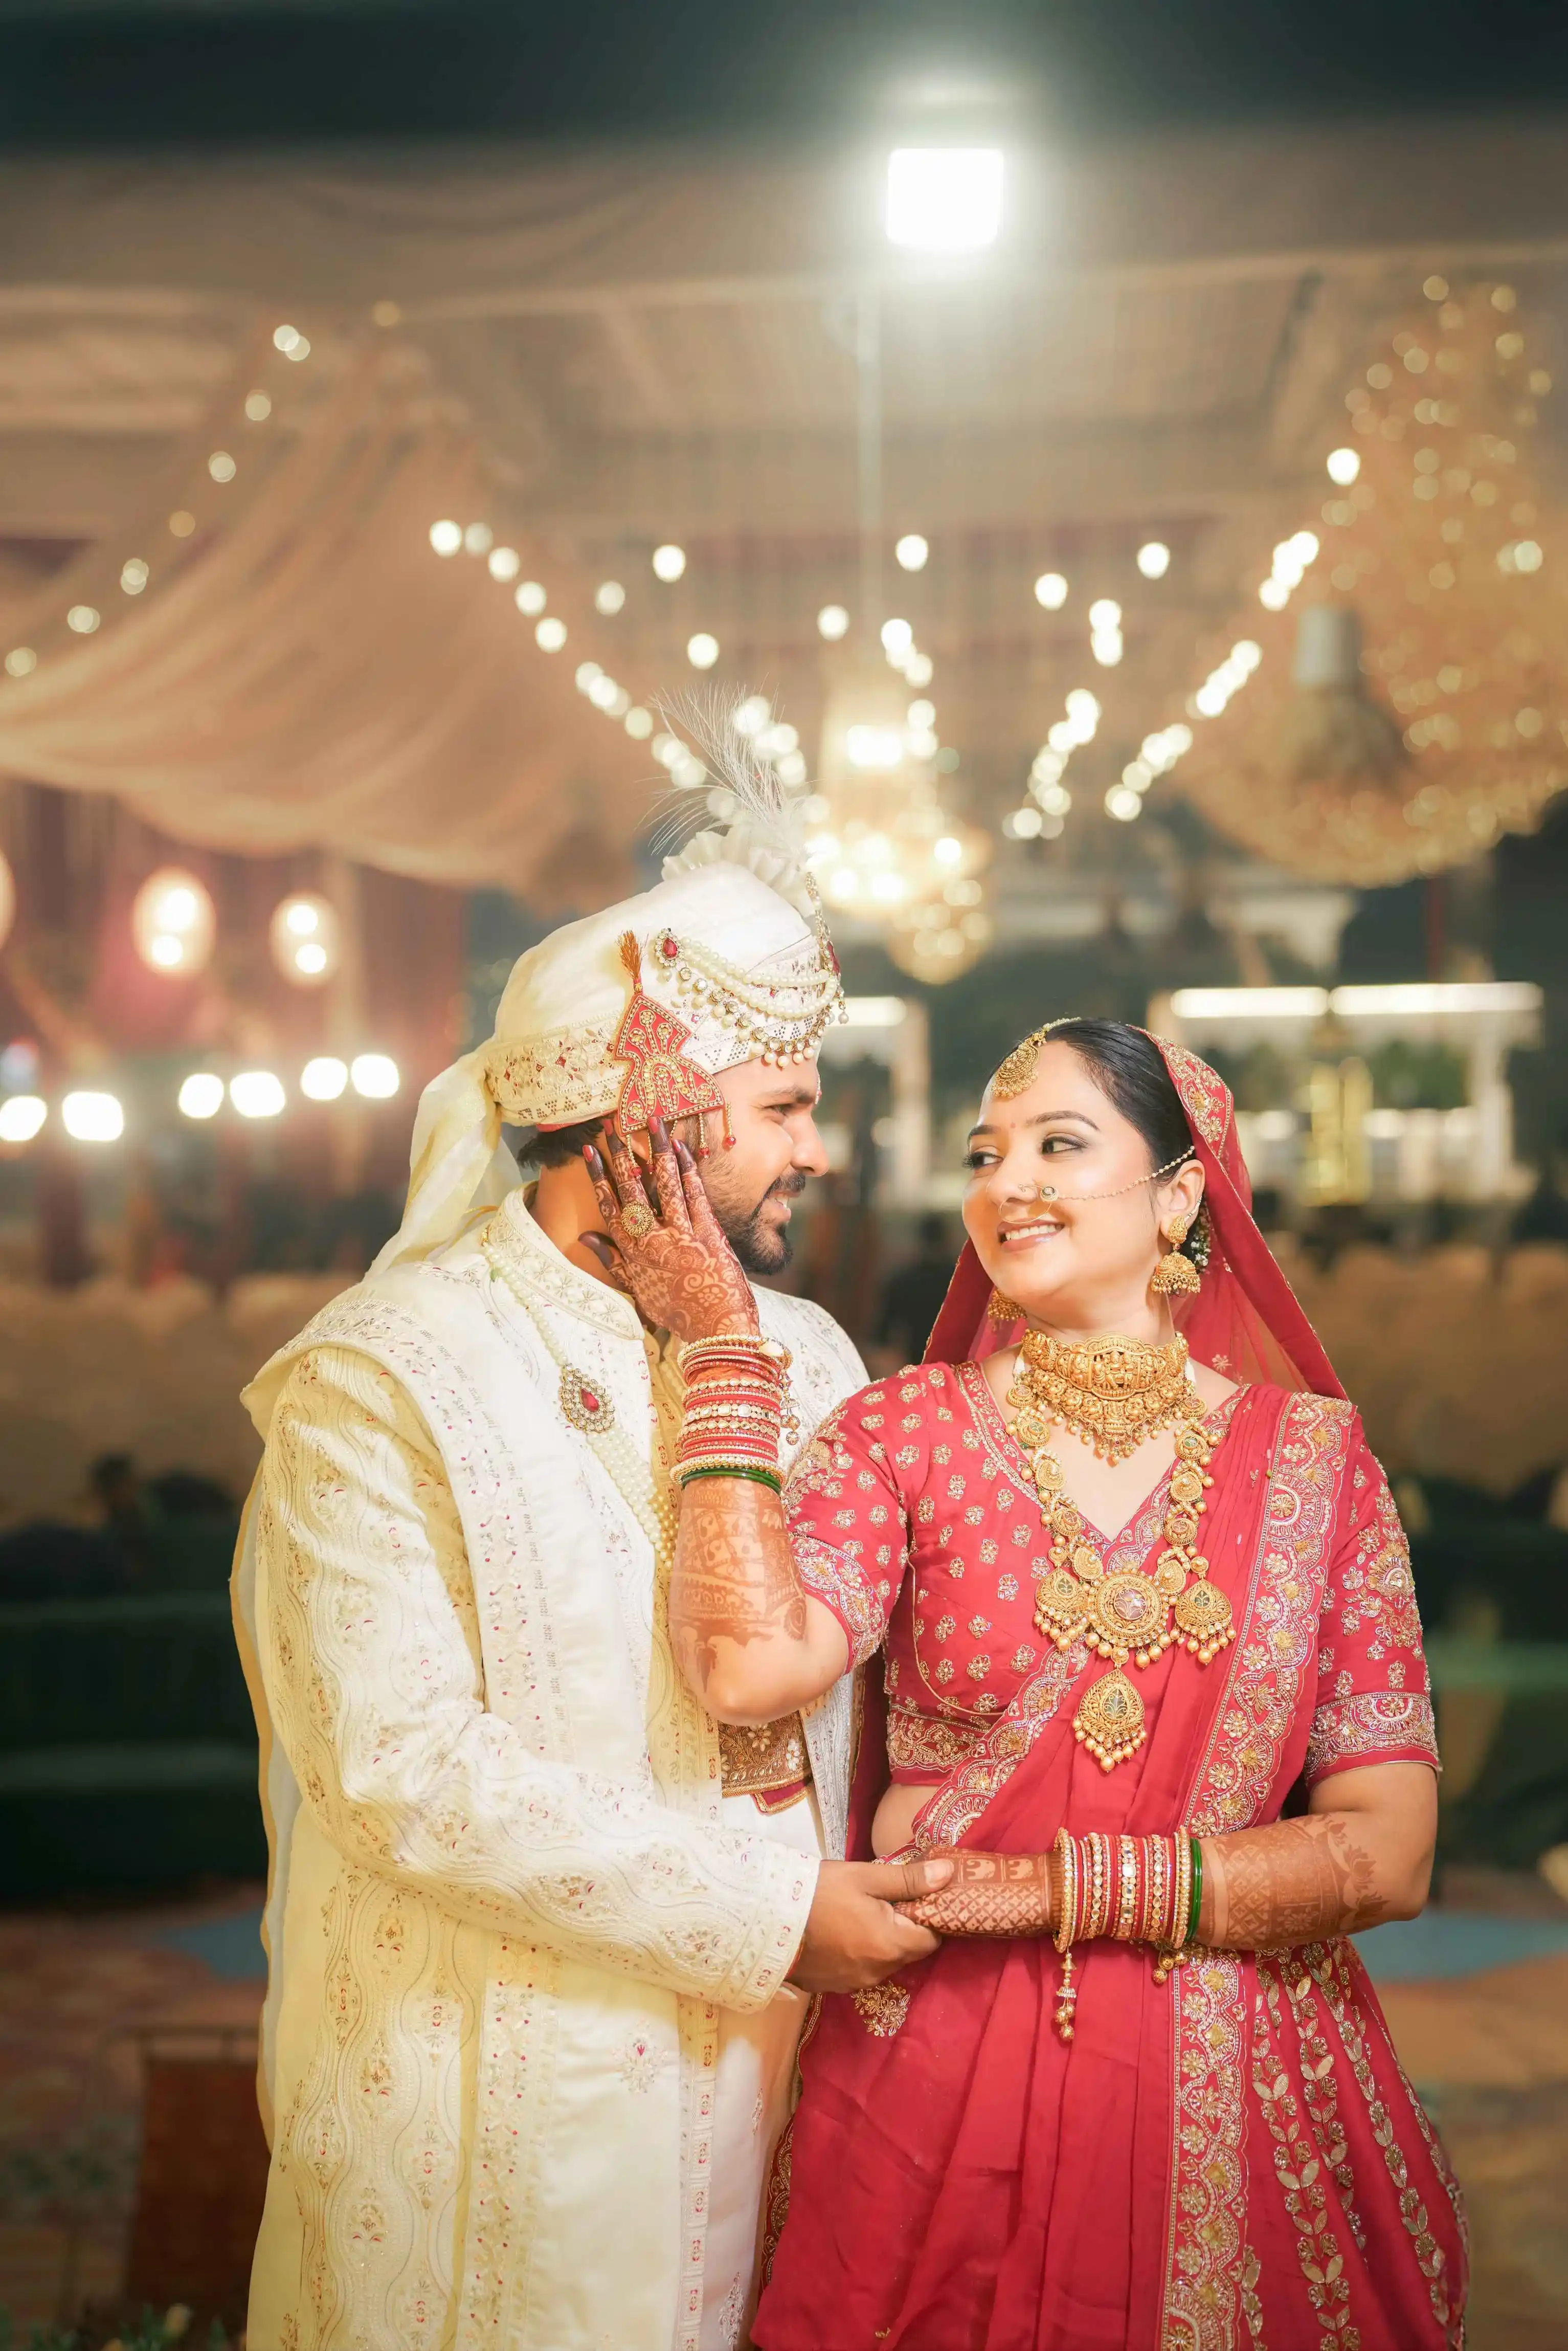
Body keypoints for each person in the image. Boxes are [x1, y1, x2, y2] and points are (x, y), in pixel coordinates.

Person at [597, 1016, 1466, 2350]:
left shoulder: (1318, 1464)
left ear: (1181, 1192)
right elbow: (745, 1665)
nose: (1008, 1183)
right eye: (985, 1152)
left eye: (1061, 1143)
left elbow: (1392, 1851)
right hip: (943, 2070)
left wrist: (1057, 1888)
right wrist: (721, 1354)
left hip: (1237, 2063)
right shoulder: (905, 1432)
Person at [231, 788, 951, 2351]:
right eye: (778, 1107)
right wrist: (769, 1912)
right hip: (500, 2075)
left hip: (781, 2056)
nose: (817, 1150)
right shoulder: (383, 1378)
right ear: (643, 1117)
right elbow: (400, 1766)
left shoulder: (805, 1355)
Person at [875, 1211, 956, 1368]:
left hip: (917, 1359)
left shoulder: (904, 1280)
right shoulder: (960, 1280)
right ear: (946, 1240)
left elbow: (883, 1332)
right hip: (957, 1360)